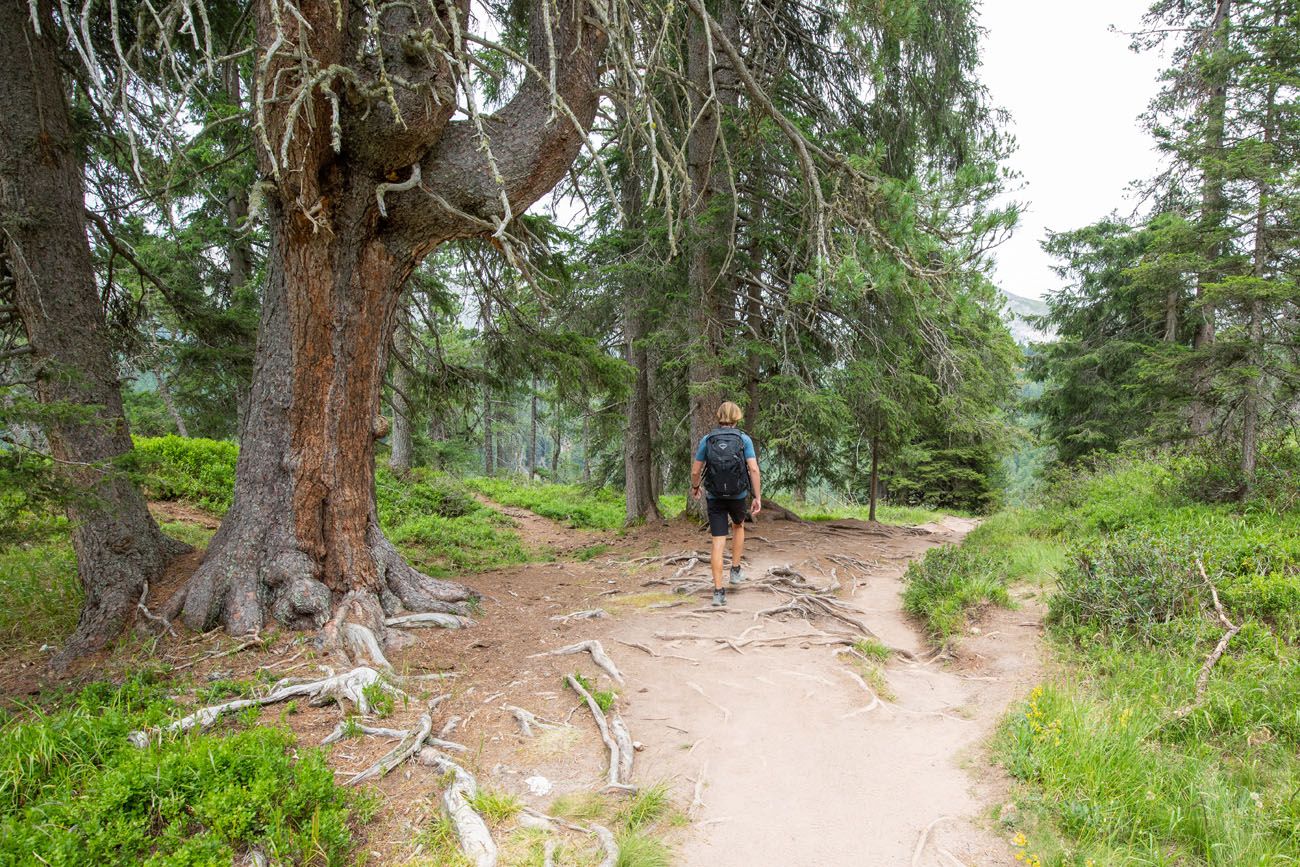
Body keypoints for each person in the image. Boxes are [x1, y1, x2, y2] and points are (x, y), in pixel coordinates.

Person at [690, 401, 762, 606]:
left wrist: (696, 487)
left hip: (714, 495)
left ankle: (718, 592)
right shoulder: (743, 439)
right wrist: (757, 496)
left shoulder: (708, 439)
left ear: (718, 416)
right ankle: (736, 571)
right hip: (738, 495)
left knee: (717, 542)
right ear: (737, 417)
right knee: (738, 526)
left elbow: (696, 471)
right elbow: (754, 470)